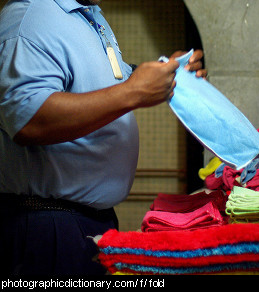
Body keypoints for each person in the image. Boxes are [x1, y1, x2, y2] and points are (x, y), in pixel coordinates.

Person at [0, 0, 207, 275]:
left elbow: (99, 85)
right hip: (47, 227)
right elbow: (27, 119)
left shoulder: (87, 14)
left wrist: (166, 73)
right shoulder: (31, 15)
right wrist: (133, 92)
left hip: (88, 223)